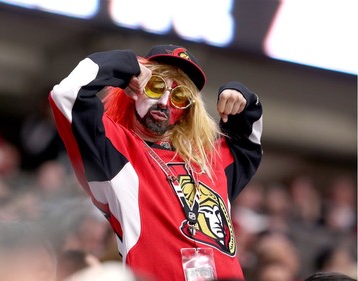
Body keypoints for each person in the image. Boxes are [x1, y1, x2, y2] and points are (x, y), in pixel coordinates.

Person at [49, 44, 262, 280]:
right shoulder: (114, 149)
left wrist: (243, 100)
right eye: (155, 86)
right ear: (135, 88)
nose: (164, 101)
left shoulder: (209, 161)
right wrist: (127, 65)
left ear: (188, 110)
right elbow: (67, 94)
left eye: (179, 95)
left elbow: (248, 144)